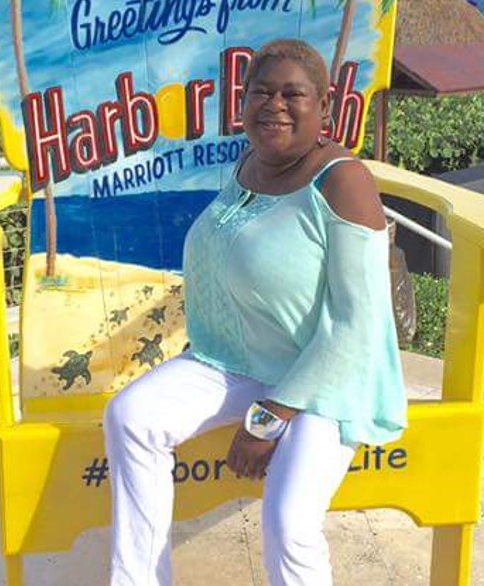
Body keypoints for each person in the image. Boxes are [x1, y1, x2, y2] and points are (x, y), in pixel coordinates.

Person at [104, 39, 408, 586]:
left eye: (293, 94)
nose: (275, 106)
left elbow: (358, 323)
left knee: (289, 522)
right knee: (132, 417)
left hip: (325, 383)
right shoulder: (250, 164)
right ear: (242, 103)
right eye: (261, 93)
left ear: (325, 106)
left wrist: (269, 418)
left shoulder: (343, 182)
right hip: (235, 362)